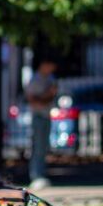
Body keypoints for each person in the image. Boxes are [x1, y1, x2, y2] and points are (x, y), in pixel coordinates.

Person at [26, 59, 58, 190]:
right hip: (38, 116)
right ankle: (36, 176)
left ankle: (40, 174)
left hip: (46, 114)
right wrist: (48, 94)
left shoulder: (50, 78)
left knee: (43, 147)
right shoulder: (36, 80)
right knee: (38, 146)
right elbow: (33, 100)